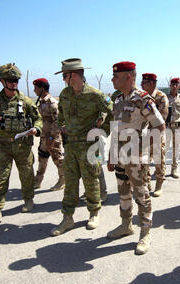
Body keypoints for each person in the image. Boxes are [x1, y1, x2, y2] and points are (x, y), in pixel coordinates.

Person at [107, 61, 165, 255]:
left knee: (141, 194)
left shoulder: (142, 99)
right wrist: (111, 154)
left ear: (128, 78)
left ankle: (145, 232)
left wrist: (142, 149)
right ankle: (126, 225)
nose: (112, 79)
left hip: (136, 159)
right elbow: (115, 130)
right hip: (121, 156)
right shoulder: (117, 99)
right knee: (123, 193)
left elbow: (159, 126)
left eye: (116, 76)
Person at [50, 58, 113, 236]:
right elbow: (60, 113)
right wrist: (62, 125)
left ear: (74, 75)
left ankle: (94, 213)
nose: (63, 79)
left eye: (65, 76)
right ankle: (67, 218)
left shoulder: (95, 94)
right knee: (70, 182)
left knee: (91, 179)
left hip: (90, 146)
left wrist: (102, 130)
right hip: (70, 145)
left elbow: (113, 113)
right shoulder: (64, 94)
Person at [0, 63, 43, 225]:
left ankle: (28, 200)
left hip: (23, 146)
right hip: (2, 146)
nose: (14, 83)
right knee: (1, 177)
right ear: (2, 81)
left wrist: (36, 128)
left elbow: (38, 118)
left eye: (16, 80)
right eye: (10, 80)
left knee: (27, 174)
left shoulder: (25, 100)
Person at [32, 78, 65, 191]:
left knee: (58, 159)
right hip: (44, 137)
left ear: (42, 88)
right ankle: (38, 180)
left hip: (52, 137)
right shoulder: (42, 102)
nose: (34, 91)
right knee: (42, 158)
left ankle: (62, 180)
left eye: (36, 88)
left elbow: (58, 122)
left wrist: (51, 137)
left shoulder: (52, 103)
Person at [141, 73, 169, 197]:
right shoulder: (142, 97)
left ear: (152, 83)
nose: (141, 85)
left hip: (157, 133)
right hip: (145, 133)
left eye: (144, 82)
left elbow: (162, 118)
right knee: (145, 161)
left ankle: (159, 184)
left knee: (159, 160)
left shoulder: (161, 97)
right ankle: (147, 183)